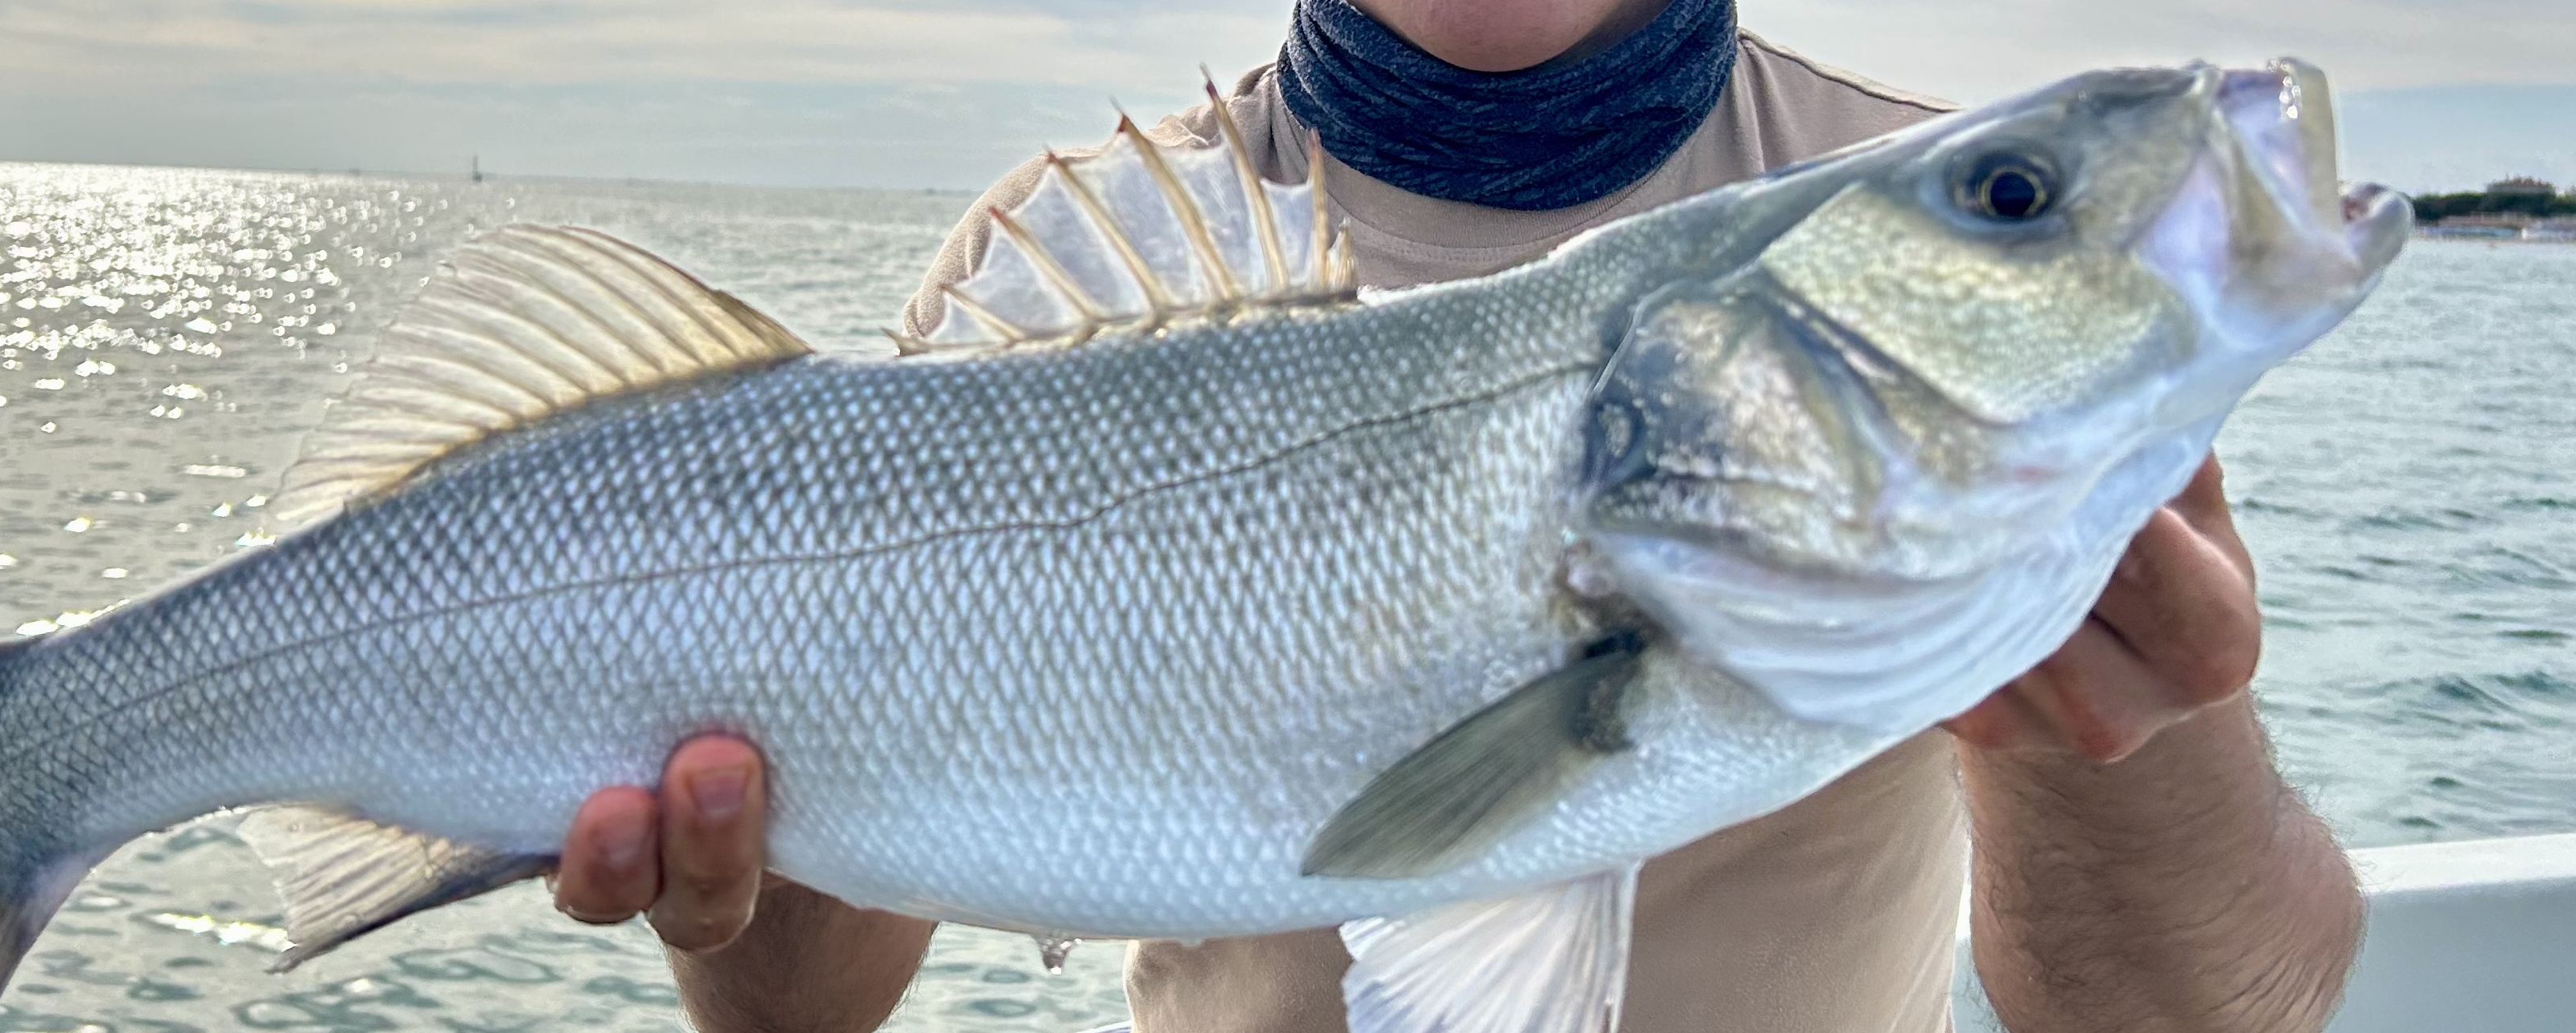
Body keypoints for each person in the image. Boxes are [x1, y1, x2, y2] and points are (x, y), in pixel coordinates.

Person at [542, 2, 2365, 1031]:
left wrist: (2080, 718)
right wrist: (733, 844)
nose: (2026, 211)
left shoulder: (1917, 225)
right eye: (2021, 200)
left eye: (2018, 201)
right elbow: (797, 1023)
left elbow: (2210, 1024)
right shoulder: (1062, 273)